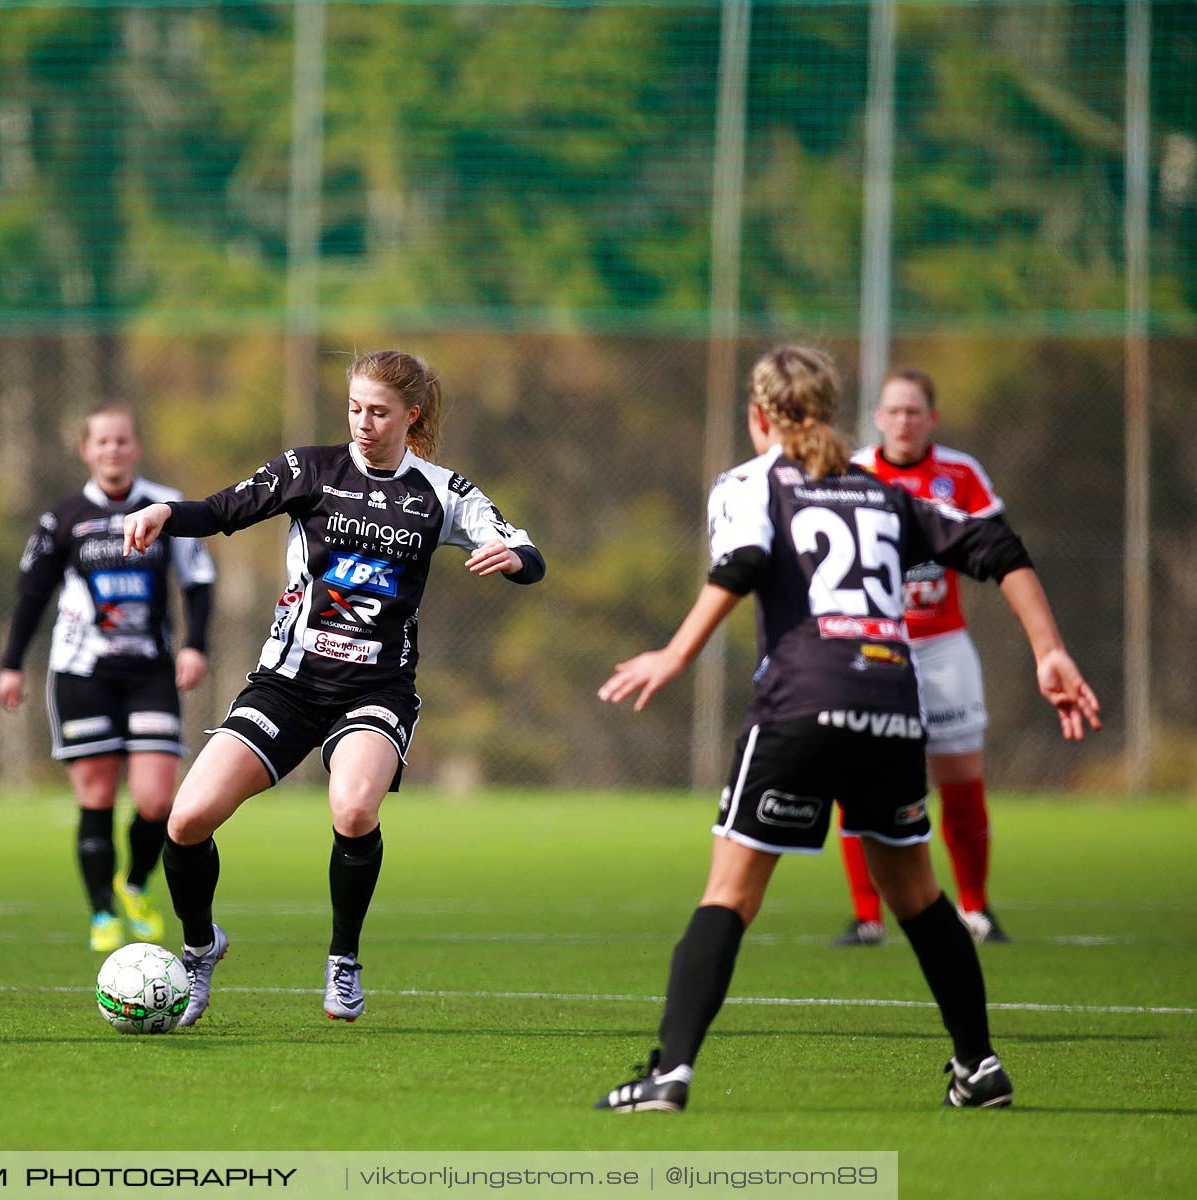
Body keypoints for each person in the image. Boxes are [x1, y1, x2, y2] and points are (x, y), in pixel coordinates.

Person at [591, 346, 1098, 1112]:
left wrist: (675, 652)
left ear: (759, 415)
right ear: (833, 413)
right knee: (921, 896)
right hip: (893, 707)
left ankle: (670, 1075)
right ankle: (979, 1065)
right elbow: (1000, 547)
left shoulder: (750, 482)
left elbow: (743, 562)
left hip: (802, 700)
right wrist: (1049, 650)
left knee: (729, 894)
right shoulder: (882, 491)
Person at [121, 349, 545, 1026]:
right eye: (354, 408)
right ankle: (200, 948)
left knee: (352, 810)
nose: (363, 423)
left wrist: (516, 557)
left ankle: (343, 961)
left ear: (412, 415)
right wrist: (165, 517)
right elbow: (222, 510)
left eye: (379, 411)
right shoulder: (309, 470)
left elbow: (528, 554)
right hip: (286, 685)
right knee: (186, 819)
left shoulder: (442, 492)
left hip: (376, 689)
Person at [0, 402, 216, 952]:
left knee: (155, 801)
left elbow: (198, 581)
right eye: (102, 442)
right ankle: (101, 913)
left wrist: (195, 646)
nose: (112, 450)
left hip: (150, 672)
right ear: (86, 451)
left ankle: (135, 882)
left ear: (135, 447)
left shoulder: (165, 509)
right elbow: (32, 595)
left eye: (122, 441)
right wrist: (10, 663)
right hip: (81, 673)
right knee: (95, 796)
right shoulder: (63, 518)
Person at [832, 368, 1011, 947]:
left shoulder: (959, 474)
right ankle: (867, 917)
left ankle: (976, 911)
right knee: (856, 780)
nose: (903, 422)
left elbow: (998, 543)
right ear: (877, 418)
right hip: (874, 647)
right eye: (894, 411)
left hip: (943, 646)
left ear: (931, 418)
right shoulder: (853, 472)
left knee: (960, 782)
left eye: (914, 412)